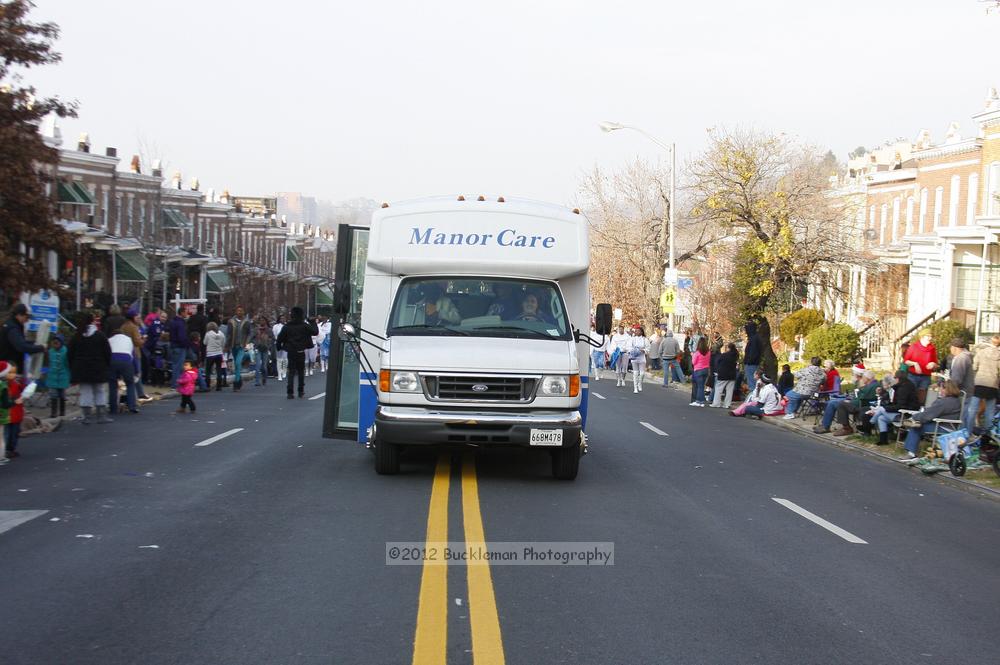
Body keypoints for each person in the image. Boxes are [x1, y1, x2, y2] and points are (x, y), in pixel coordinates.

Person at [899, 379, 963, 459]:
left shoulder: (944, 402)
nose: (940, 390)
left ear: (947, 389)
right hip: (950, 426)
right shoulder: (956, 401)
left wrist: (914, 417)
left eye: (941, 388)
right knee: (919, 423)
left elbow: (928, 415)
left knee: (916, 427)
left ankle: (911, 453)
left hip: (943, 427)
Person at [68, 312, 112, 425]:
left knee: (85, 391)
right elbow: (108, 352)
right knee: (100, 391)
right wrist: (107, 365)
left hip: (81, 369)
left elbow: (70, 354)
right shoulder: (100, 335)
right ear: (93, 321)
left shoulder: (77, 336)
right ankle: (101, 415)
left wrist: (72, 366)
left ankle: (86, 416)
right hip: (98, 367)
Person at [813, 369, 878, 436]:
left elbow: (861, 399)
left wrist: (850, 401)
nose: (862, 379)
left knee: (835, 403)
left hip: (860, 405)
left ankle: (844, 428)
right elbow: (859, 396)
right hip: (858, 402)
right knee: (833, 402)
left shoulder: (871, 387)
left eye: (863, 377)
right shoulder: (871, 385)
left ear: (867, 378)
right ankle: (825, 425)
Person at [867, 370, 920, 445]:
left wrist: (887, 408)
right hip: (901, 411)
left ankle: (871, 422)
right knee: (881, 418)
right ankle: (883, 440)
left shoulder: (904, 389)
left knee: (882, 409)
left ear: (898, 379)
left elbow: (900, 405)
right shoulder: (901, 386)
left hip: (905, 413)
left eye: (895, 378)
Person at [276, 306, 319, 399]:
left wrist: (279, 347)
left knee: (291, 371)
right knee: (300, 371)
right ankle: (300, 390)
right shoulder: (304, 326)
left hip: (291, 351)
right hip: (301, 351)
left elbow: (280, 338)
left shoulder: (287, 326)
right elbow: (315, 332)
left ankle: (290, 392)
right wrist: (312, 322)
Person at [968, 335, 1000, 434]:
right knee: (989, 412)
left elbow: (974, 367)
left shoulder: (981, 352)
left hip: (979, 383)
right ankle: (988, 435)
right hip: (992, 385)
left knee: (972, 410)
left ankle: (968, 432)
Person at [107, 328, 138, 415]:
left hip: (112, 360)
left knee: (112, 385)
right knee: (130, 383)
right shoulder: (128, 340)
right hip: (126, 360)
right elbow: (133, 356)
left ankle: (113, 408)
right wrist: (136, 370)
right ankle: (132, 406)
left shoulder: (109, 340)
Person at [945, 338, 974, 431]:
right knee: (965, 415)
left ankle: (962, 437)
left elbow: (956, 378)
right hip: (968, 390)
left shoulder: (961, 358)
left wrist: (949, 388)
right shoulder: (966, 356)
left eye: (950, 347)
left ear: (954, 348)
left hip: (963, 392)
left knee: (963, 417)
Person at [903, 328, 938, 404]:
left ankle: (920, 410)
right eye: (928, 336)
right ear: (922, 337)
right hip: (913, 375)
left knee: (922, 395)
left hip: (926, 376)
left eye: (931, 336)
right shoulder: (914, 347)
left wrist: (933, 364)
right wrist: (915, 364)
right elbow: (906, 361)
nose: (930, 338)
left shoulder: (932, 348)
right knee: (911, 393)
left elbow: (936, 364)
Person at [225, 306, 252, 391]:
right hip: (233, 346)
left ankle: (236, 384)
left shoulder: (246, 322)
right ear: (236, 312)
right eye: (238, 311)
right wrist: (226, 345)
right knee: (237, 365)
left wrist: (246, 342)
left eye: (241, 311)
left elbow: (250, 333)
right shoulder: (231, 321)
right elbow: (228, 334)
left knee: (237, 363)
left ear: (243, 312)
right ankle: (239, 379)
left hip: (241, 346)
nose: (239, 312)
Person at [4, 361, 25, 459]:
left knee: (15, 433)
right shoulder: (4, 385)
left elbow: (24, 392)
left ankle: (11, 449)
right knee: (7, 434)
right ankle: (7, 450)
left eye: (14, 372)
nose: (12, 375)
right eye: (9, 372)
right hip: (7, 414)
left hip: (16, 413)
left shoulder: (17, 383)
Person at [167, 307, 190, 390]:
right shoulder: (180, 323)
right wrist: (186, 344)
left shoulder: (173, 322)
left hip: (173, 345)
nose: (187, 313)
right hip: (180, 346)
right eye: (186, 312)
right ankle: (175, 384)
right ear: (182, 312)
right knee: (178, 366)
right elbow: (181, 336)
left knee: (175, 365)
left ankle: (178, 383)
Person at [47, 335, 70, 418]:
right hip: (52, 376)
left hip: (63, 376)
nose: (55, 344)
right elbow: (49, 363)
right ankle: (54, 412)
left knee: (62, 395)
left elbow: (68, 364)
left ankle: (62, 411)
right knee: (53, 394)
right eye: (54, 342)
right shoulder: (50, 351)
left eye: (57, 342)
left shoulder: (66, 351)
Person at [711, 342, 740, 408]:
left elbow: (718, 363)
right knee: (729, 390)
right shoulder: (736, 355)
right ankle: (727, 404)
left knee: (719, 389)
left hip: (723, 374)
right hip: (732, 374)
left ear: (728, 348)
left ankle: (716, 403)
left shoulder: (724, 355)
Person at [689, 336, 711, 407]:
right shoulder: (708, 352)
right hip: (706, 369)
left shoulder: (697, 353)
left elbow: (693, 362)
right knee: (702, 386)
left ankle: (699, 401)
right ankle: (701, 401)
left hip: (698, 370)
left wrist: (692, 356)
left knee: (699, 387)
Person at [204, 322, 226, 390]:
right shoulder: (221, 334)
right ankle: (219, 386)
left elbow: (205, 342)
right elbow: (223, 343)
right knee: (219, 369)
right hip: (219, 353)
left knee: (208, 370)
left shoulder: (208, 334)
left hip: (210, 354)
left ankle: (207, 385)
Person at [627, 326, 649, 393]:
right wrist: (632, 350)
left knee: (642, 373)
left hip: (642, 357)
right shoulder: (632, 339)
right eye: (636, 331)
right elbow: (628, 347)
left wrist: (644, 350)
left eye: (638, 331)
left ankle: (640, 383)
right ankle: (635, 387)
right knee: (635, 373)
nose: (637, 332)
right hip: (635, 357)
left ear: (642, 332)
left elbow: (648, 348)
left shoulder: (645, 339)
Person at [742, 321, 762, 395]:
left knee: (752, 383)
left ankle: (753, 400)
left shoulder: (753, 339)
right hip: (754, 363)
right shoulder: (756, 338)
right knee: (754, 382)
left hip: (751, 364)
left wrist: (748, 361)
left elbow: (753, 352)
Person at [253, 317, 273, 387]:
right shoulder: (256, 329)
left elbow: (272, 338)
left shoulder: (269, 330)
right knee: (257, 365)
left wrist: (268, 344)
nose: (262, 321)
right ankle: (257, 381)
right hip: (257, 348)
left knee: (264, 366)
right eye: (260, 320)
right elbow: (252, 337)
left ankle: (264, 378)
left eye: (263, 320)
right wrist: (255, 342)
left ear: (266, 321)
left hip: (265, 349)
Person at [0, 361, 11, 465]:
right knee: (1, 437)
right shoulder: (3, 386)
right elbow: (6, 403)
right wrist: (14, 402)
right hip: (1, 414)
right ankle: (1, 457)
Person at [272, 315, 288, 381]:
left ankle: (284, 371)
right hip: (278, 343)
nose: (282, 319)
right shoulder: (276, 326)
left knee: (285, 359)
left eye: (283, 318)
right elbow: (274, 335)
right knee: (279, 359)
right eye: (281, 318)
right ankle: (279, 374)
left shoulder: (287, 326)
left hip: (286, 344)